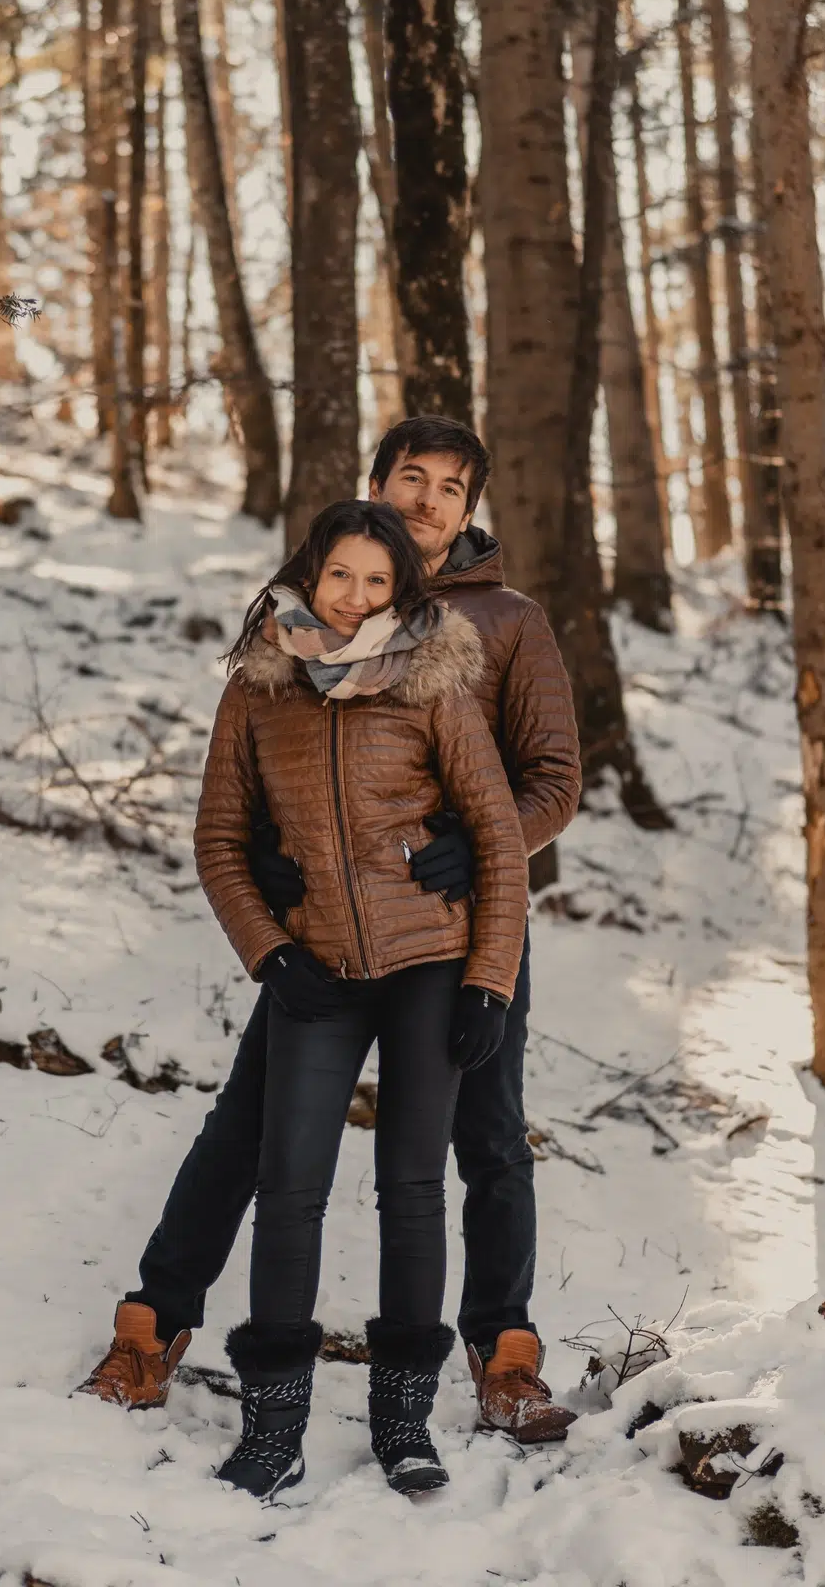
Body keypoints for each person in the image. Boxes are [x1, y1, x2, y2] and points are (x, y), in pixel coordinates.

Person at [79, 417, 582, 1444]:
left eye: (451, 486)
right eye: (412, 477)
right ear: (375, 483)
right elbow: (266, 758)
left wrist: (481, 850)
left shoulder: (509, 621)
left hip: (463, 927)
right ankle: (153, 1325)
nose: (428, 499)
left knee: (485, 1136)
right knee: (245, 1131)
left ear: (470, 508)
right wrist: (270, 857)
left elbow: (552, 779)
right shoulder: (312, 598)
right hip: (327, 930)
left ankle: (506, 1355)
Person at [192, 498, 528, 1498]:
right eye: (340, 575)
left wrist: (489, 983)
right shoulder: (258, 690)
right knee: (288, 1187)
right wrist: (266, 951)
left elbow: (497, 838)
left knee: (413, 1190)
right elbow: (218, 841)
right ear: (309, 573)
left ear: (401, 591)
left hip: (430, 965)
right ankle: (272, 1424)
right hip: (317, 973)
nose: (355, 597)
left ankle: (401, 1423)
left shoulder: (432, 682)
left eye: (377, 582)